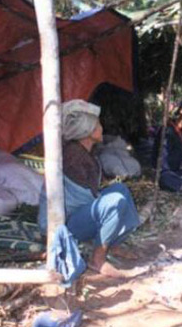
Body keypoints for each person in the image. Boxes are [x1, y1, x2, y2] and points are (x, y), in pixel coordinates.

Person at [38, 99, 140, 277]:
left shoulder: (83, 151)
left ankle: (113, 244)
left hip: (76, 215)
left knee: (121, 189)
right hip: (62, 226)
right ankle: (97, 259)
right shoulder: (74, 156)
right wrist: (107, 205)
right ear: (87, 131)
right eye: (98, 124)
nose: (102, 127)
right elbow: (86, 198)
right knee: (116, 202)